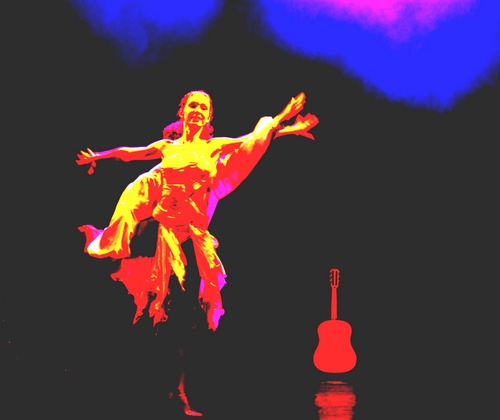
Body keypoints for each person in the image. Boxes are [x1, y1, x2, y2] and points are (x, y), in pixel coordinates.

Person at [76, 90, 318, 416]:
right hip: (165, 235)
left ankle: (181, 390)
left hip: (193, 239)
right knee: (159, 313)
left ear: (208, 116)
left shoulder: (214, 146)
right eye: (193, 105)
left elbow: (252, 140)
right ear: (183, 111)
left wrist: (285, 121)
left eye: (204, 107)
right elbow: (130, 154)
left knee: (186, 316)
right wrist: (99, 156)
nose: (197, 110)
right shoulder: (167, 148)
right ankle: (159, 387)